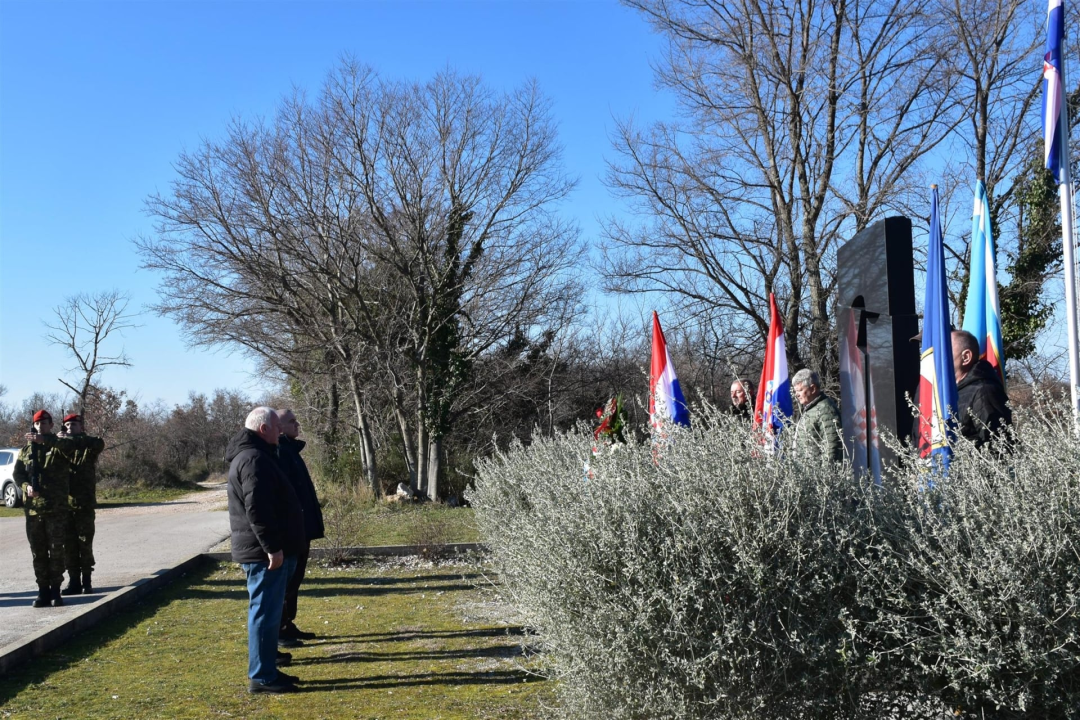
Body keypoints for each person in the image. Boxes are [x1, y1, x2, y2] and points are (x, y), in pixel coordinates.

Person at [225, 406, 306, 694]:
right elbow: (257, 510)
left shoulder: (258, 455)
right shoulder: (253, 459)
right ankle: (261, 676)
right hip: (263, 556)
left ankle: (268, 667)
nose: (280, 431)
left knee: (270, 614)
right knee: (264, 613)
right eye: (276, 426)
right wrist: (273, 549)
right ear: (263, 429)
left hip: (266, 552)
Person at [11, 410, 91, 607]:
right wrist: (25, 487)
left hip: (56, 509)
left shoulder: (58, 444)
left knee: (56, 551)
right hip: (34, 511)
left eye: (44, 424)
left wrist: (46, 440)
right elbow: (18, 474)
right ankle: (43, 591)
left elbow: (70, 448)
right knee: (38, 552)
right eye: (37, 424)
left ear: (50, 425)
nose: (40, 427)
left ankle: (56, 591)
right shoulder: (26, 450)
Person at [275, 408, 325, 647]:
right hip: (293, 530)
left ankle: (288, 623)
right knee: (288, 580)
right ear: (279, 426)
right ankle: (281, 628)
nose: (297, 424)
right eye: (291, 421)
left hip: (303, 528)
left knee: (296, 579)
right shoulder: (280, 452)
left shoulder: (291, 450)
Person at [59, 413, 105, 595]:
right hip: (65, 504)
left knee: (85, 543)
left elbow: (99, 443)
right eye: (67, 425)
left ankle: (87, 581)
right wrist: (59, 442)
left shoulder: (88, 445)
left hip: (84, 504)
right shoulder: (61, 447)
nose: (70, 427)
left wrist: (72, 441)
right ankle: (74, 582)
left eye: (73, 425)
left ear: (81, 427)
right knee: (69, 545)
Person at [951, 329, 1012, 448]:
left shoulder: (984, 391)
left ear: (966, 357)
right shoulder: (951, 391)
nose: (938, 357)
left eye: (946, 350)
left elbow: (998, 446)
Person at [792, 369, 844, 463]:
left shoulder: (825, 410)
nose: (797, 395)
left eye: (799, 390)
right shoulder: (810, 408)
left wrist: (826, 475)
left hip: (818, 474)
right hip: (807, 472)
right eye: (795, 391)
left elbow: (832, 446)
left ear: (813, 389)